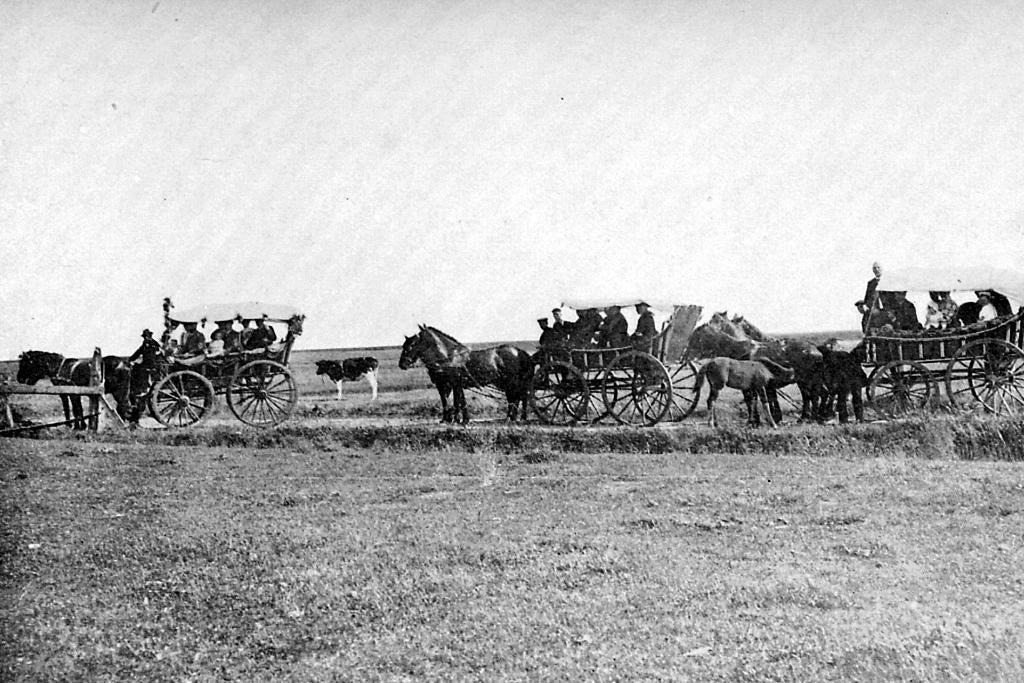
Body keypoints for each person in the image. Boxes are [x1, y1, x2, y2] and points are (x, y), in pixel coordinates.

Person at [855, 261, 883, 332]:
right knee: (865, 321)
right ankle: (867, 340)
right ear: (872, 270)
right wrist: (865, 306)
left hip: (885, 310)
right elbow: (867, 298)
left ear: (882, 268)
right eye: (874, 268)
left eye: (878, 267)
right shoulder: (871, 283)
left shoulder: (888, 281)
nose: (876, 269)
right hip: (874, 309)